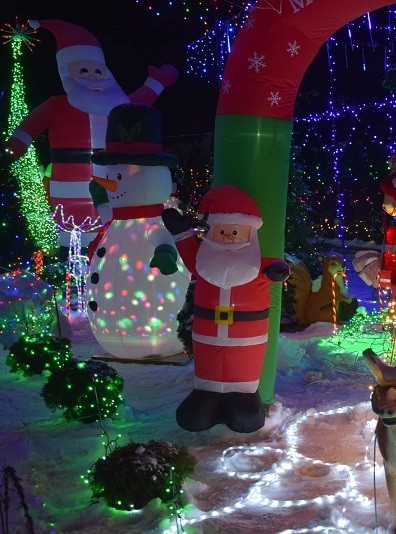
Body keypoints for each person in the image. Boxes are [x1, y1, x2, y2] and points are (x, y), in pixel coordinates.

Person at [4, 20, 178, 247]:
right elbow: (30, 125)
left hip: (113, 190)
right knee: (73, 244)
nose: (93, 76)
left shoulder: (116, 104)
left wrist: (157, 82)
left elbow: (139, 102)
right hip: (68, 192)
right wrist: (15, 145)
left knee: (110, 240)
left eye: (98, 70)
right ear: (66, 72)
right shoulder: (57, 105)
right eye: (84, 70)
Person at [161, 186, 290, 433]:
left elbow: (277, 267)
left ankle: (243, 399)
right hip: (207, 335)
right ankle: (205, 395)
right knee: (207, 369)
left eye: (235, 232)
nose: (229, 237)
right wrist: (181, 232)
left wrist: (280, 270)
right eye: (222, 232)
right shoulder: (204, 262)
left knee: (242, 377)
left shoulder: (256, 267)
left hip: (247, 339)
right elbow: (190, 254)